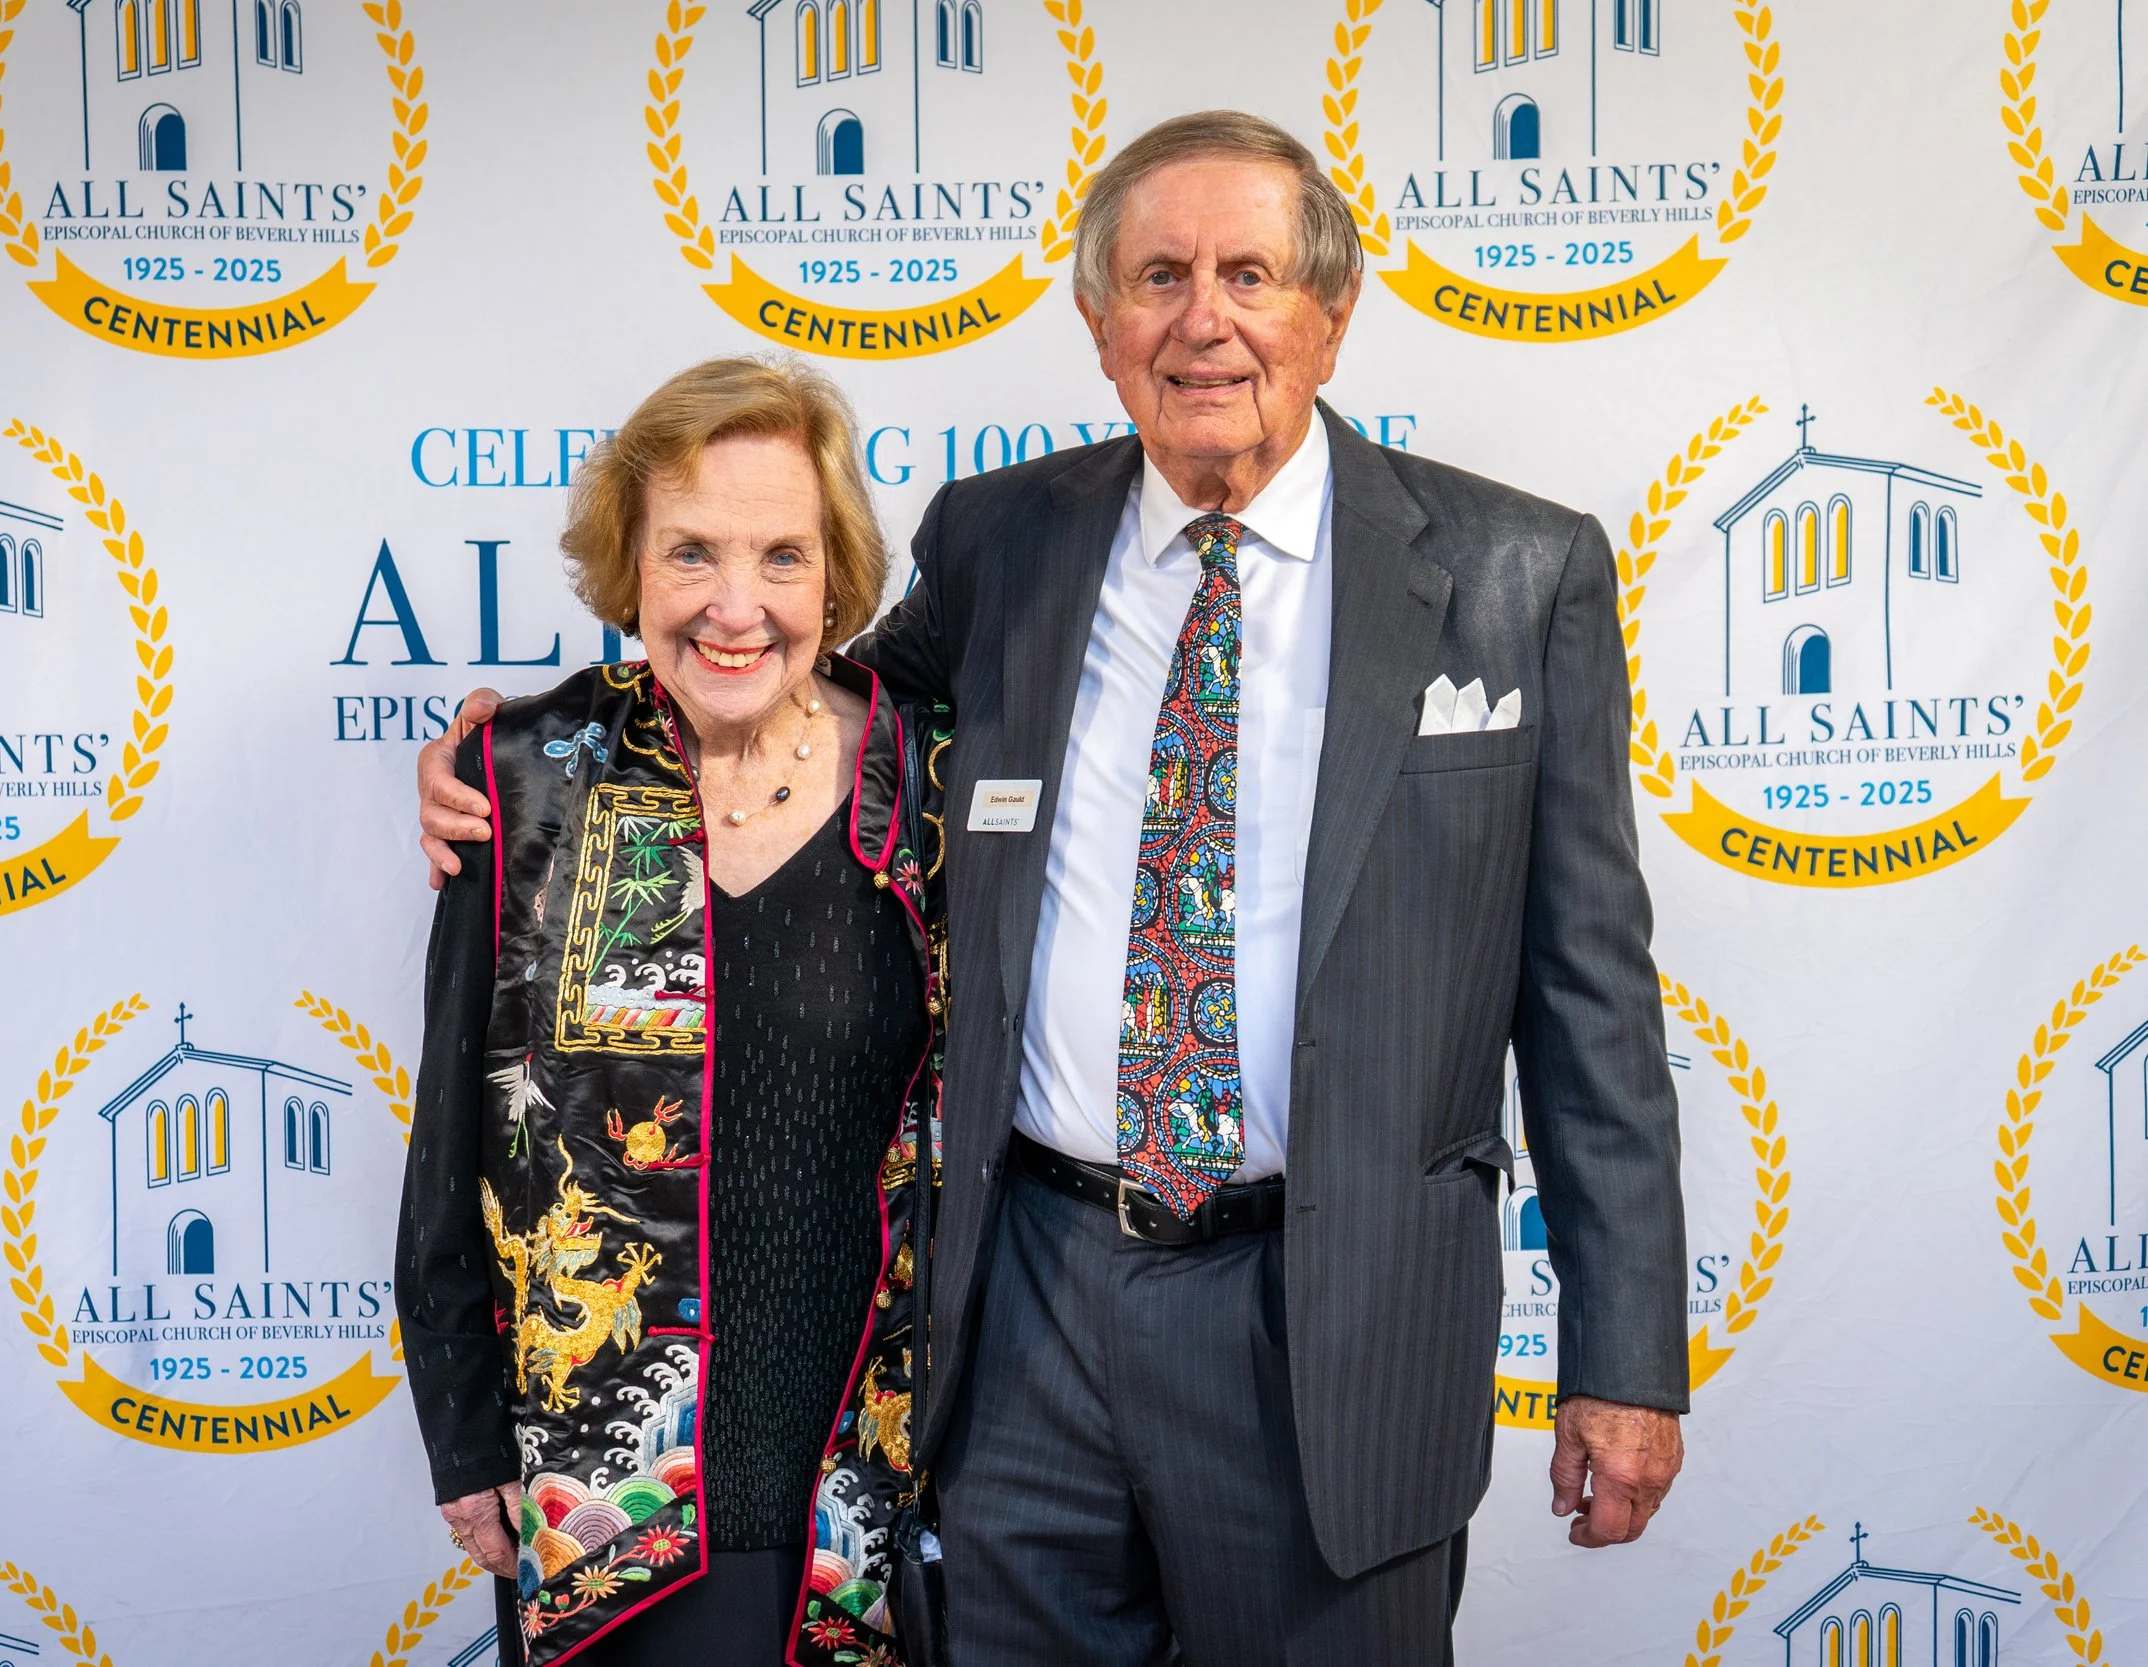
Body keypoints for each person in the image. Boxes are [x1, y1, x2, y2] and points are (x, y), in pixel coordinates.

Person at [424, 111, 1689, 1666]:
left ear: (1332, 311)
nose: (1204, 320)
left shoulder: (1516, 573)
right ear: (1099, 324)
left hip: (1339, 1321)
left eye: (1249, 275)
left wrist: (1625, 1355)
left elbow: (1592, 999)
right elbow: (793, 695)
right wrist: (531, 749)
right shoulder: (1003, 541)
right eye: (1159, 277)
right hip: (1026, 1314)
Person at [396, 357, 950, 1667]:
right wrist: (465, 1438)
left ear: (837, 576)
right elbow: (452, 1136)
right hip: (602, 1493)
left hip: (881, 1482)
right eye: (691, 552)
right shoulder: (523, 775)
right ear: (629, 566)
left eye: (782, 555)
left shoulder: (937, 774)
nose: (735, 606)